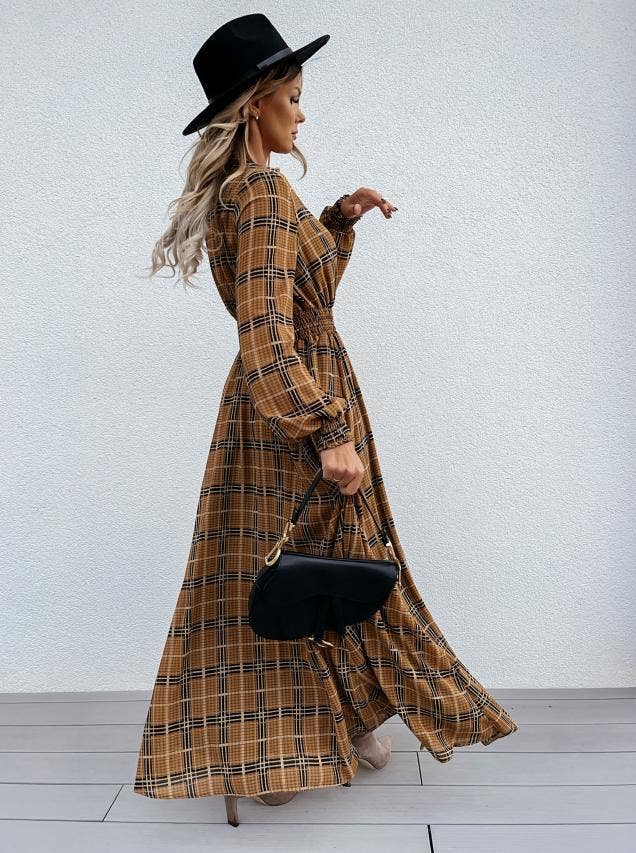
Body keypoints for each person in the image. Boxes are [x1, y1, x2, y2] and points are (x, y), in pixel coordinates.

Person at [133, 13, 518, 828]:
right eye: (294, 98)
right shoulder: (263, 195)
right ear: (256, 105)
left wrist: (338, 217)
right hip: (296, 403)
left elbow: (303, 293)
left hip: (270, 404)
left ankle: (325, 726)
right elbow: (269, 330)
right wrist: (326, 431)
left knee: (295, 569)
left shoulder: (255, 195)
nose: (303, 115)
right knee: (323, 568)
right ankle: (282, 748)